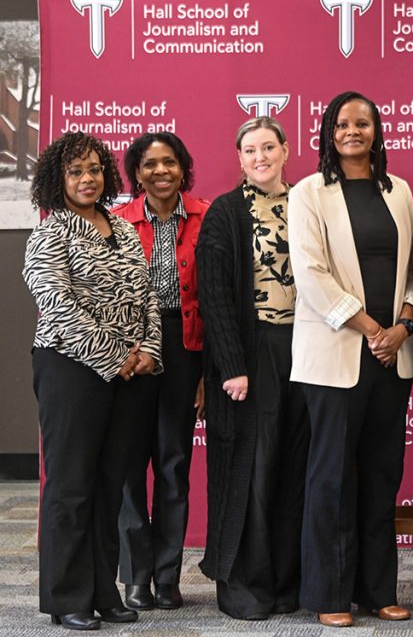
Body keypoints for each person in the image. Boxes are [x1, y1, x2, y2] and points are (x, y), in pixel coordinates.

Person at [289, 92, 413, 628]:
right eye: (342, 123)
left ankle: (377, 589)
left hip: (393, 354)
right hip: (337, 352)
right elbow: (311, 274)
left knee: (383, 474)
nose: (352, 131)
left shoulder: (399, 191)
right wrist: (371, 328)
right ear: (328, 131)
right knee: (332, 477)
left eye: (362, 123)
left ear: (377, 130)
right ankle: (330, 593)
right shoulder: (309, 192)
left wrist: (403, 323)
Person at [23, 131, 161, 630]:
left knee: (110, 486)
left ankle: (104, 592)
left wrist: (147, 350)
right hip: (71, 370)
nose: (88, 178)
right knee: (71, 485)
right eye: (76, 171)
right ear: (58, 180)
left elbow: (148, 296)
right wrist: (115, 355)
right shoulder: (49, 233)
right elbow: (57, 306)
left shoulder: (123, 230)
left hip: (130, 373)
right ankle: (66, 597)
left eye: (95, 169)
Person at [196, 116, 309, 620]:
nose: (260, 156)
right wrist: (232, 366)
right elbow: (215, 297)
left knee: (296, 466)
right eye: (250, 150)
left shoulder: (306, 203)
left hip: (308, 349)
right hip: (250, 353)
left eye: (269, 146)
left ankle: (290, 584)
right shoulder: (225, 213)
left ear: (286, 150)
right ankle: (248, 587)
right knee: (254, 469)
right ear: (239, 158)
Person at [115, 132, 208, 612]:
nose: (160, 172)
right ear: (137, 172)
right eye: (149, 164)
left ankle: (167, 577)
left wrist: (207, 370)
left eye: (169, 162)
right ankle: (136, 578)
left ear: (182, 167)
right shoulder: (116, 223)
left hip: (186, 345)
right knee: (131, 467)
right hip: (131, 349)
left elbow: (218, 298)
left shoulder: (206, 216)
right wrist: (121, 353)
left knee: (173, 465)